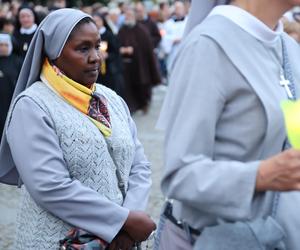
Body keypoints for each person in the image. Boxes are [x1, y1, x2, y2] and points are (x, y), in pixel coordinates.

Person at [0, 8, 155, 250]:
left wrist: (128, 225)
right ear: (53, 52)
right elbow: (50, 186)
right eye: (83, 49)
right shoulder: (32, 106)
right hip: (56, 241)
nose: (95, 57)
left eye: (97, 46)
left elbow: (139, 165)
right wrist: (121, 222)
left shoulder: (110, 99)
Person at [155, 0, 300, 249]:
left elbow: (290, 140)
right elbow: (179, 174)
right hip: (224, 238)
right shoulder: (208, 46)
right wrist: (260, 176)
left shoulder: (288, 47)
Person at [118, 8, 161, 113]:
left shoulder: (142, 30)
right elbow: (117, 44)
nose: (127, 17)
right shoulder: (122, 30)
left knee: (142, 84)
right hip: (126, 64)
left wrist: (135, 49)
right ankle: (132, 106)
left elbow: (147, 47)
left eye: (129, 15)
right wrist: (122, 49)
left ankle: (144, 104)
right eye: (126, 15)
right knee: (129, 87)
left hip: (140, 63)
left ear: (134, 16)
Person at [92, 12, 125, 98]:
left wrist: (108, 55)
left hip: (110, 70)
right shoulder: (91, 36)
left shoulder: (109, 35)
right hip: (97, 70)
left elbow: (116, 52)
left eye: (98, 20)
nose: (96, 23)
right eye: (93, 21)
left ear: (103, 21)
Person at [0, 33, 21, 140]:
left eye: (6, 45)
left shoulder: (17, 61)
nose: (3, 48)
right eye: (1, 45)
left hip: (12, 100)